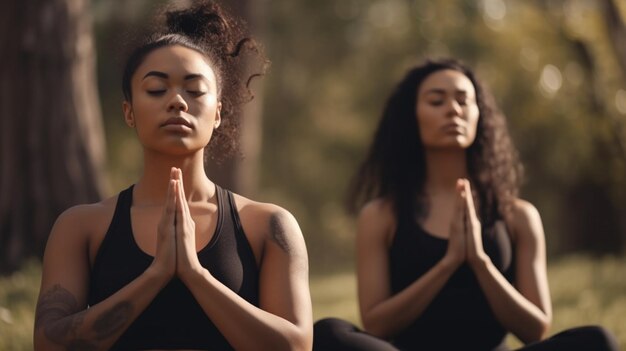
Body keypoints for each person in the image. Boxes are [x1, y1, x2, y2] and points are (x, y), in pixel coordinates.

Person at [33, 1, 312, 350]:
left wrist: (197, 275)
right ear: (129, 112)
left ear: (218, 114)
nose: (177, 101)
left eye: (194, 91)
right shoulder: (81, 227)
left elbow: (297, 346)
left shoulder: (268, 225)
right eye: (156, 89)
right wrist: (156, 275)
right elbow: (48, 344)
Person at [313, 58, 618, 351]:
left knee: (597, 340)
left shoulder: (518, 215)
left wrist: (479, 261)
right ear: (411, 116)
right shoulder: (381, 216)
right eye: (437, 101)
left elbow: (535, 330)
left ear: (479, 114)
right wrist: (447, 264)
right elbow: (376, 325)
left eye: (463, 100)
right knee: (329, 334)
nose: (453, 110)